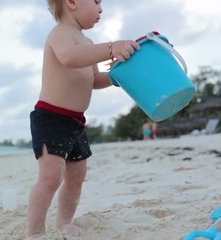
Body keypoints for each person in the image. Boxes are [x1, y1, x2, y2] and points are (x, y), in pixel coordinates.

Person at [27, 0, 140, 238]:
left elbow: (94, 80)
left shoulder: (88, 43)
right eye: (96, 1)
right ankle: (35, 232)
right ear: (71, 2)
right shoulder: (60, 34)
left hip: (76, 121)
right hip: (50, 117)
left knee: (77, 175)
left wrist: (117, 75)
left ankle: (63, 222)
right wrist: (111, 47)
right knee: (51, 176)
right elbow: (69, 57)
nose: (101, 8)